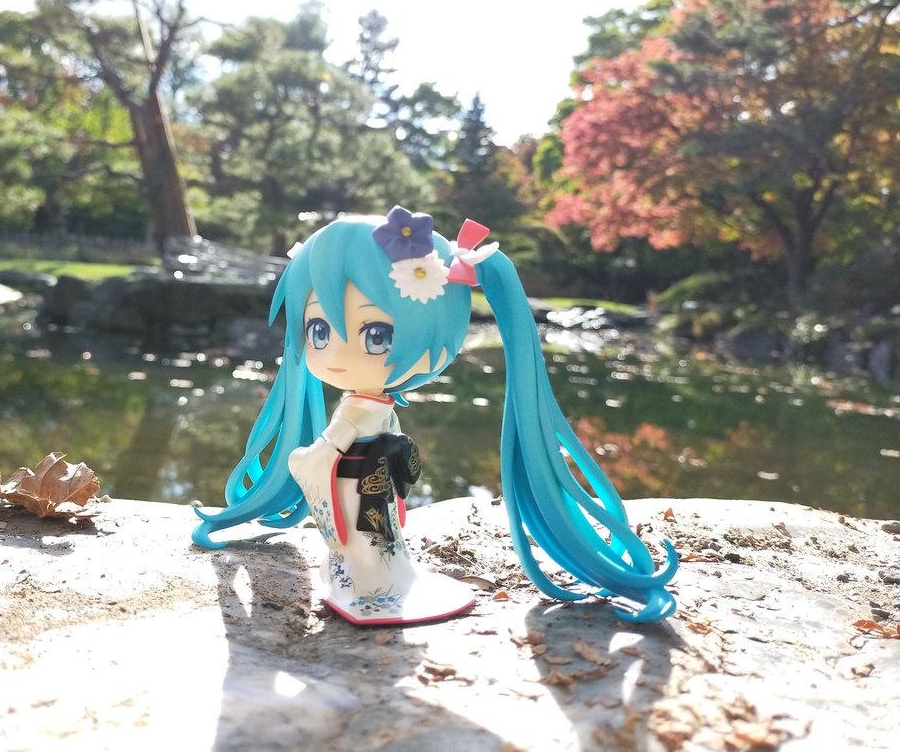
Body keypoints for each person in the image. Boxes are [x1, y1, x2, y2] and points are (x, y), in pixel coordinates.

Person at [192, 207, 678, 624]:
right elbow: (325, 452)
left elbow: (328, 453)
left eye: (376, 336)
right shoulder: (359, 408)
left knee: (375, 539)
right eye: (319, 330)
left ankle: (369, 583)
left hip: (370, 483)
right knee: (370, 541)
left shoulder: (368, 407)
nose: (335, 353)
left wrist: (320, 461)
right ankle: (362, 584)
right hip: (361, 483)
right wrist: (308, 461)